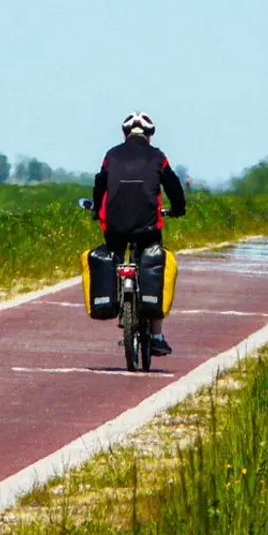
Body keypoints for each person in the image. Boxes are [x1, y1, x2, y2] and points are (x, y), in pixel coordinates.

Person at [92, 111, 186, 355]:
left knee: (113, 255)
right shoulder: (158, 157)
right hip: (147, 227)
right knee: (154, 263)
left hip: (113, 226)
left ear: (125, 134)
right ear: (150, 135)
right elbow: (174, 186)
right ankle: (156, 336)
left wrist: (96, 213)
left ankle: (114, 299)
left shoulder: (110, 155)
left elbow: (100, 185)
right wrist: (178, 209)